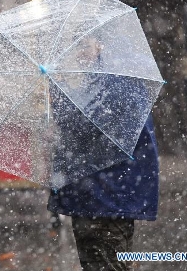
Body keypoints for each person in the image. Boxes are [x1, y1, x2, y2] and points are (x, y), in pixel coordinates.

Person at [47, 38, 159, 271]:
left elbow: (85, 129)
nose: (78, 54)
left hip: (105, 198)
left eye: (83, 46)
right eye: (73, 46)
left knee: (106, 263)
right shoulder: (104, 78)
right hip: (101, 198)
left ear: (100, 45)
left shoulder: (112, 82)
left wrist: (58, 94)